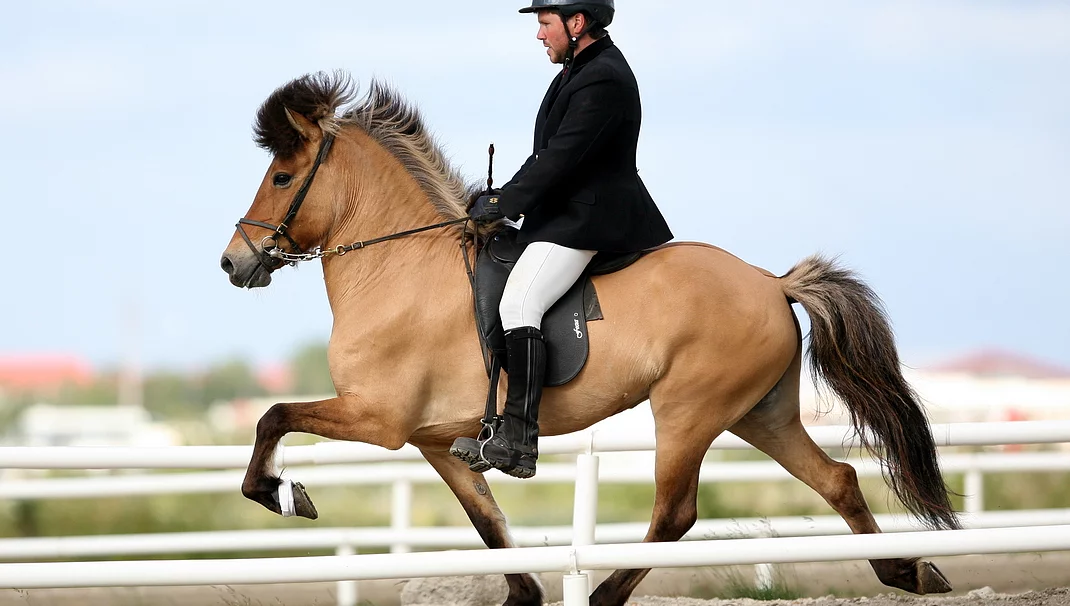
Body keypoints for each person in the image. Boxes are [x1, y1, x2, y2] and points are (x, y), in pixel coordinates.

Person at [450, 0, 673, 479]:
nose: (539, 35)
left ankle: (518, 440)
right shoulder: (578, 70)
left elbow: (563, 160)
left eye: (545, 23)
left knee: (519, 305)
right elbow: (544, 156)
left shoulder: (604, 78)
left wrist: (505, 205)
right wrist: (500, 198)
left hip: (589, 219)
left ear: (577, 22)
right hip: (563, 214)